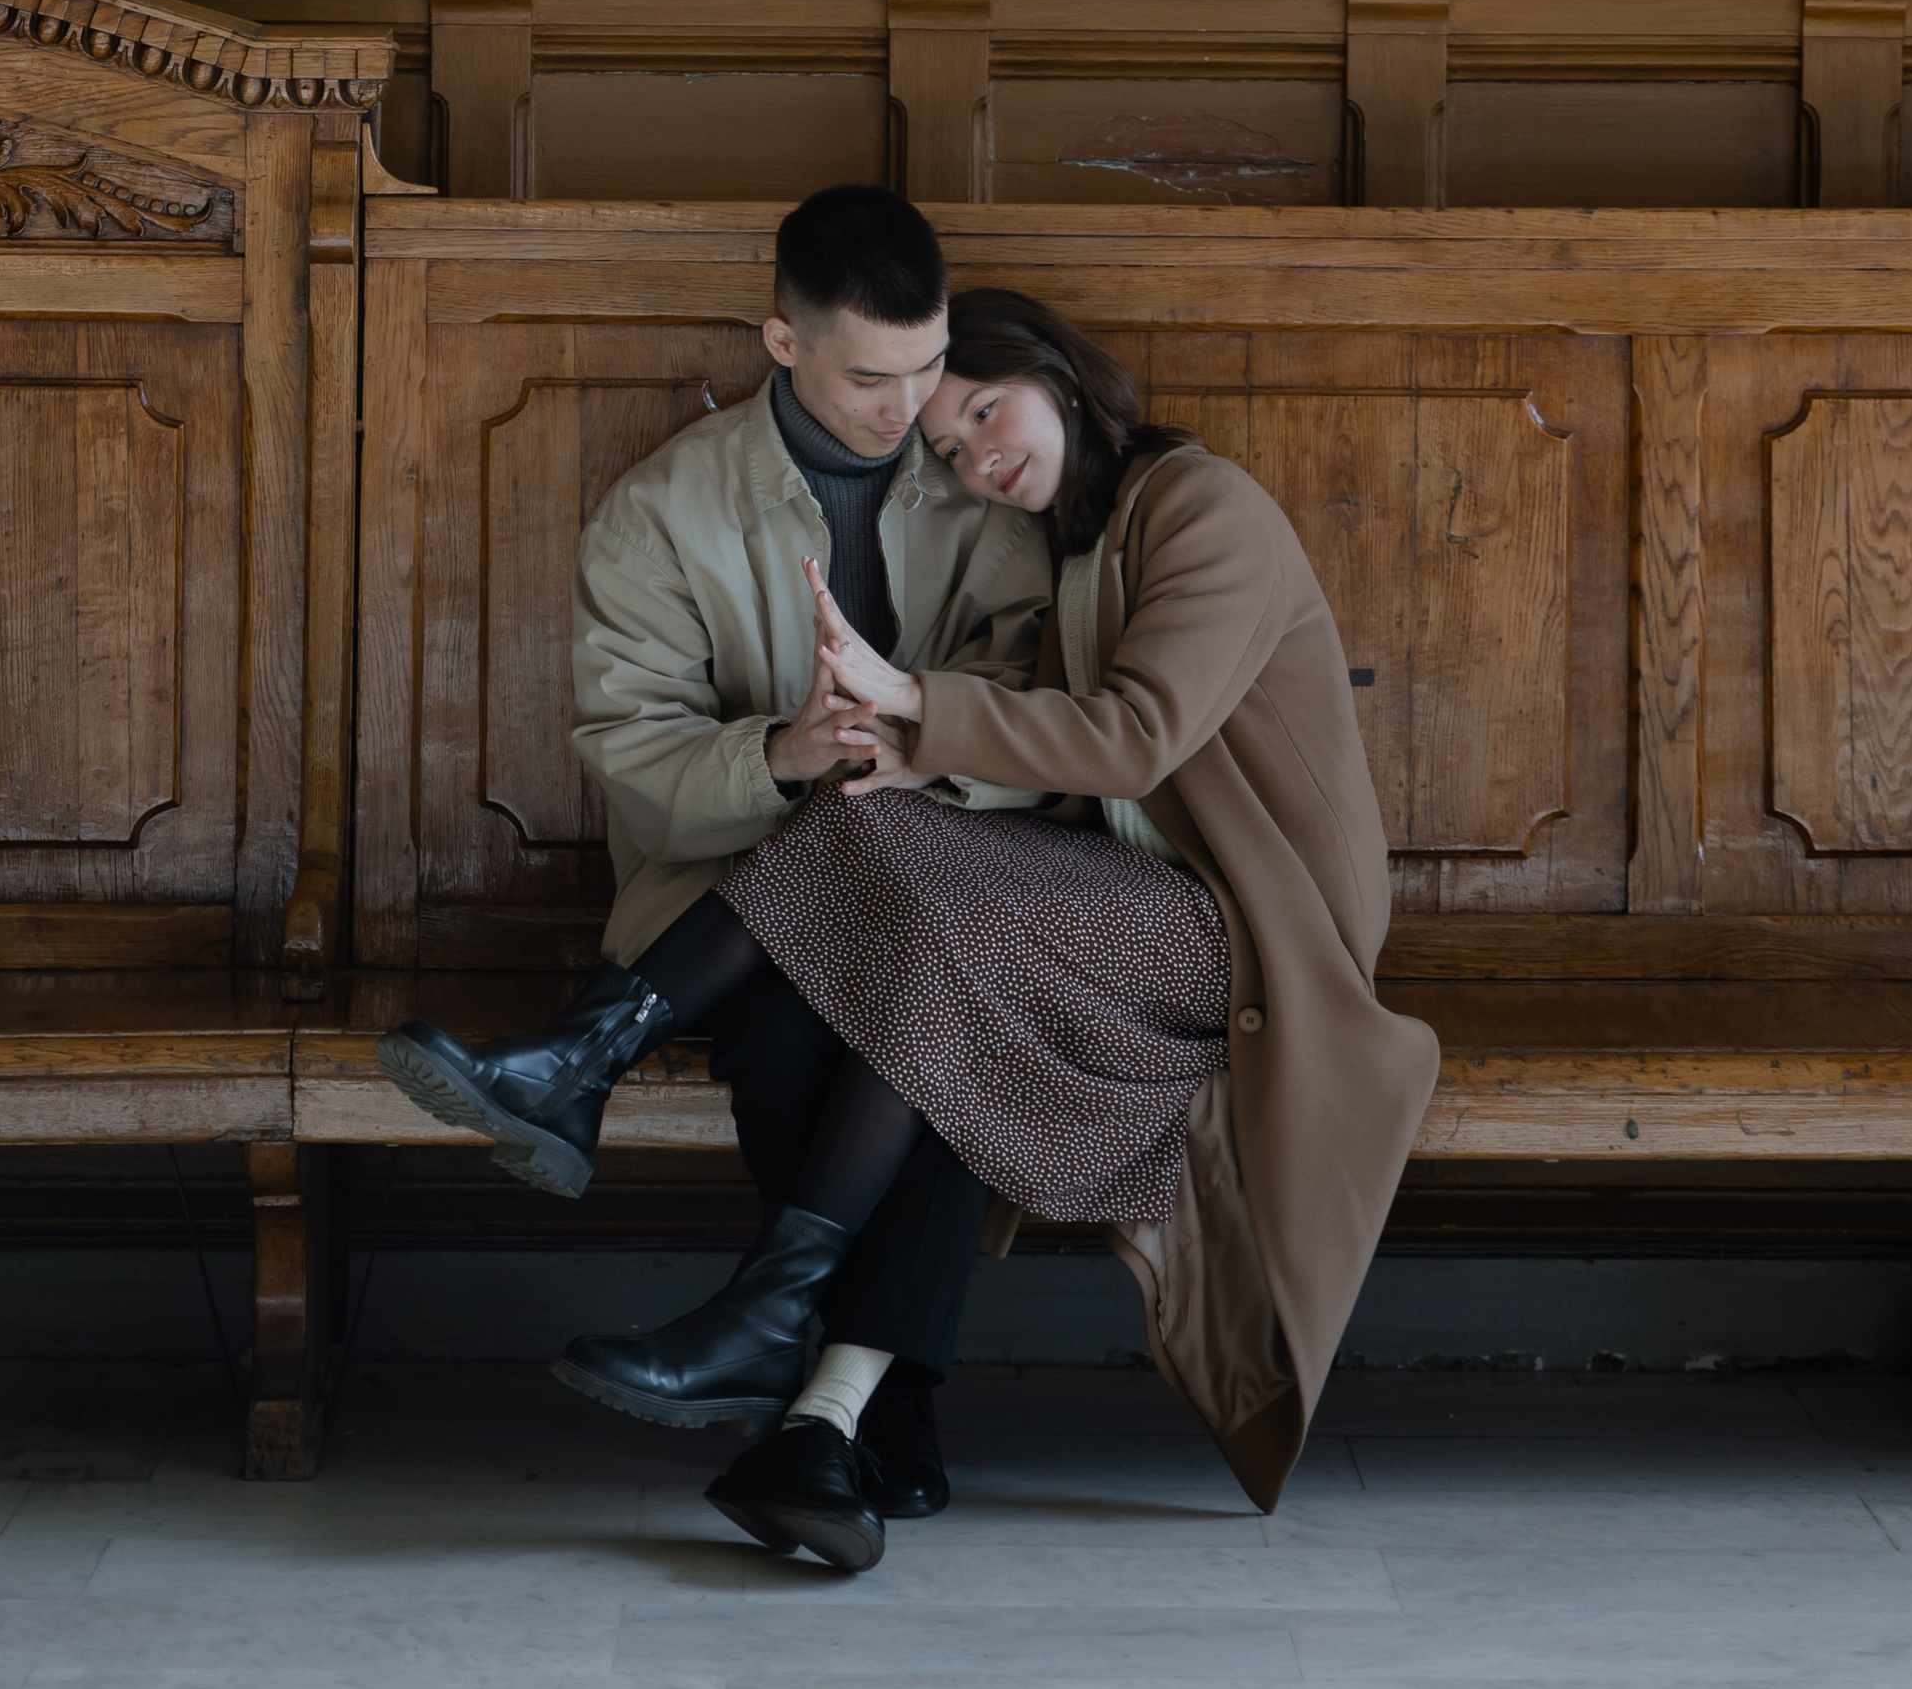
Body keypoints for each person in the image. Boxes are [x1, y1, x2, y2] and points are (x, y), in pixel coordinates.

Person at [675, 283, 1442, 1515]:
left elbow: (1134, 741)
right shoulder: (1084, 542)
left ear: (1056, 376)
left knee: (939, 948)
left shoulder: (1202, 504)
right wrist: (921, 763)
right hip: (1133, 894)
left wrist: (911, 693)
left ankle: (650, 1136)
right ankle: (818, 1381)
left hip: (1250, 931)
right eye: (950, 451)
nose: (980, 458)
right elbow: (1057, 768)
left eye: (984, 411)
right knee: (882, 859)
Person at [376, 186, 1052, 1571]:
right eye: (872, 375)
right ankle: (869, 1406)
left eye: (929, 367)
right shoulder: (667, 510)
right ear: (781, 342)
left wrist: (927, 747)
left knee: (926, 978)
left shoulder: (982, 488)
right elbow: (634, 760)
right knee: (835, 1015)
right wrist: (784, 751)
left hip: (962, 877)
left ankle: (800, 1354)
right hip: (728, 906)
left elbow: (1052, 717)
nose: (908, 403)